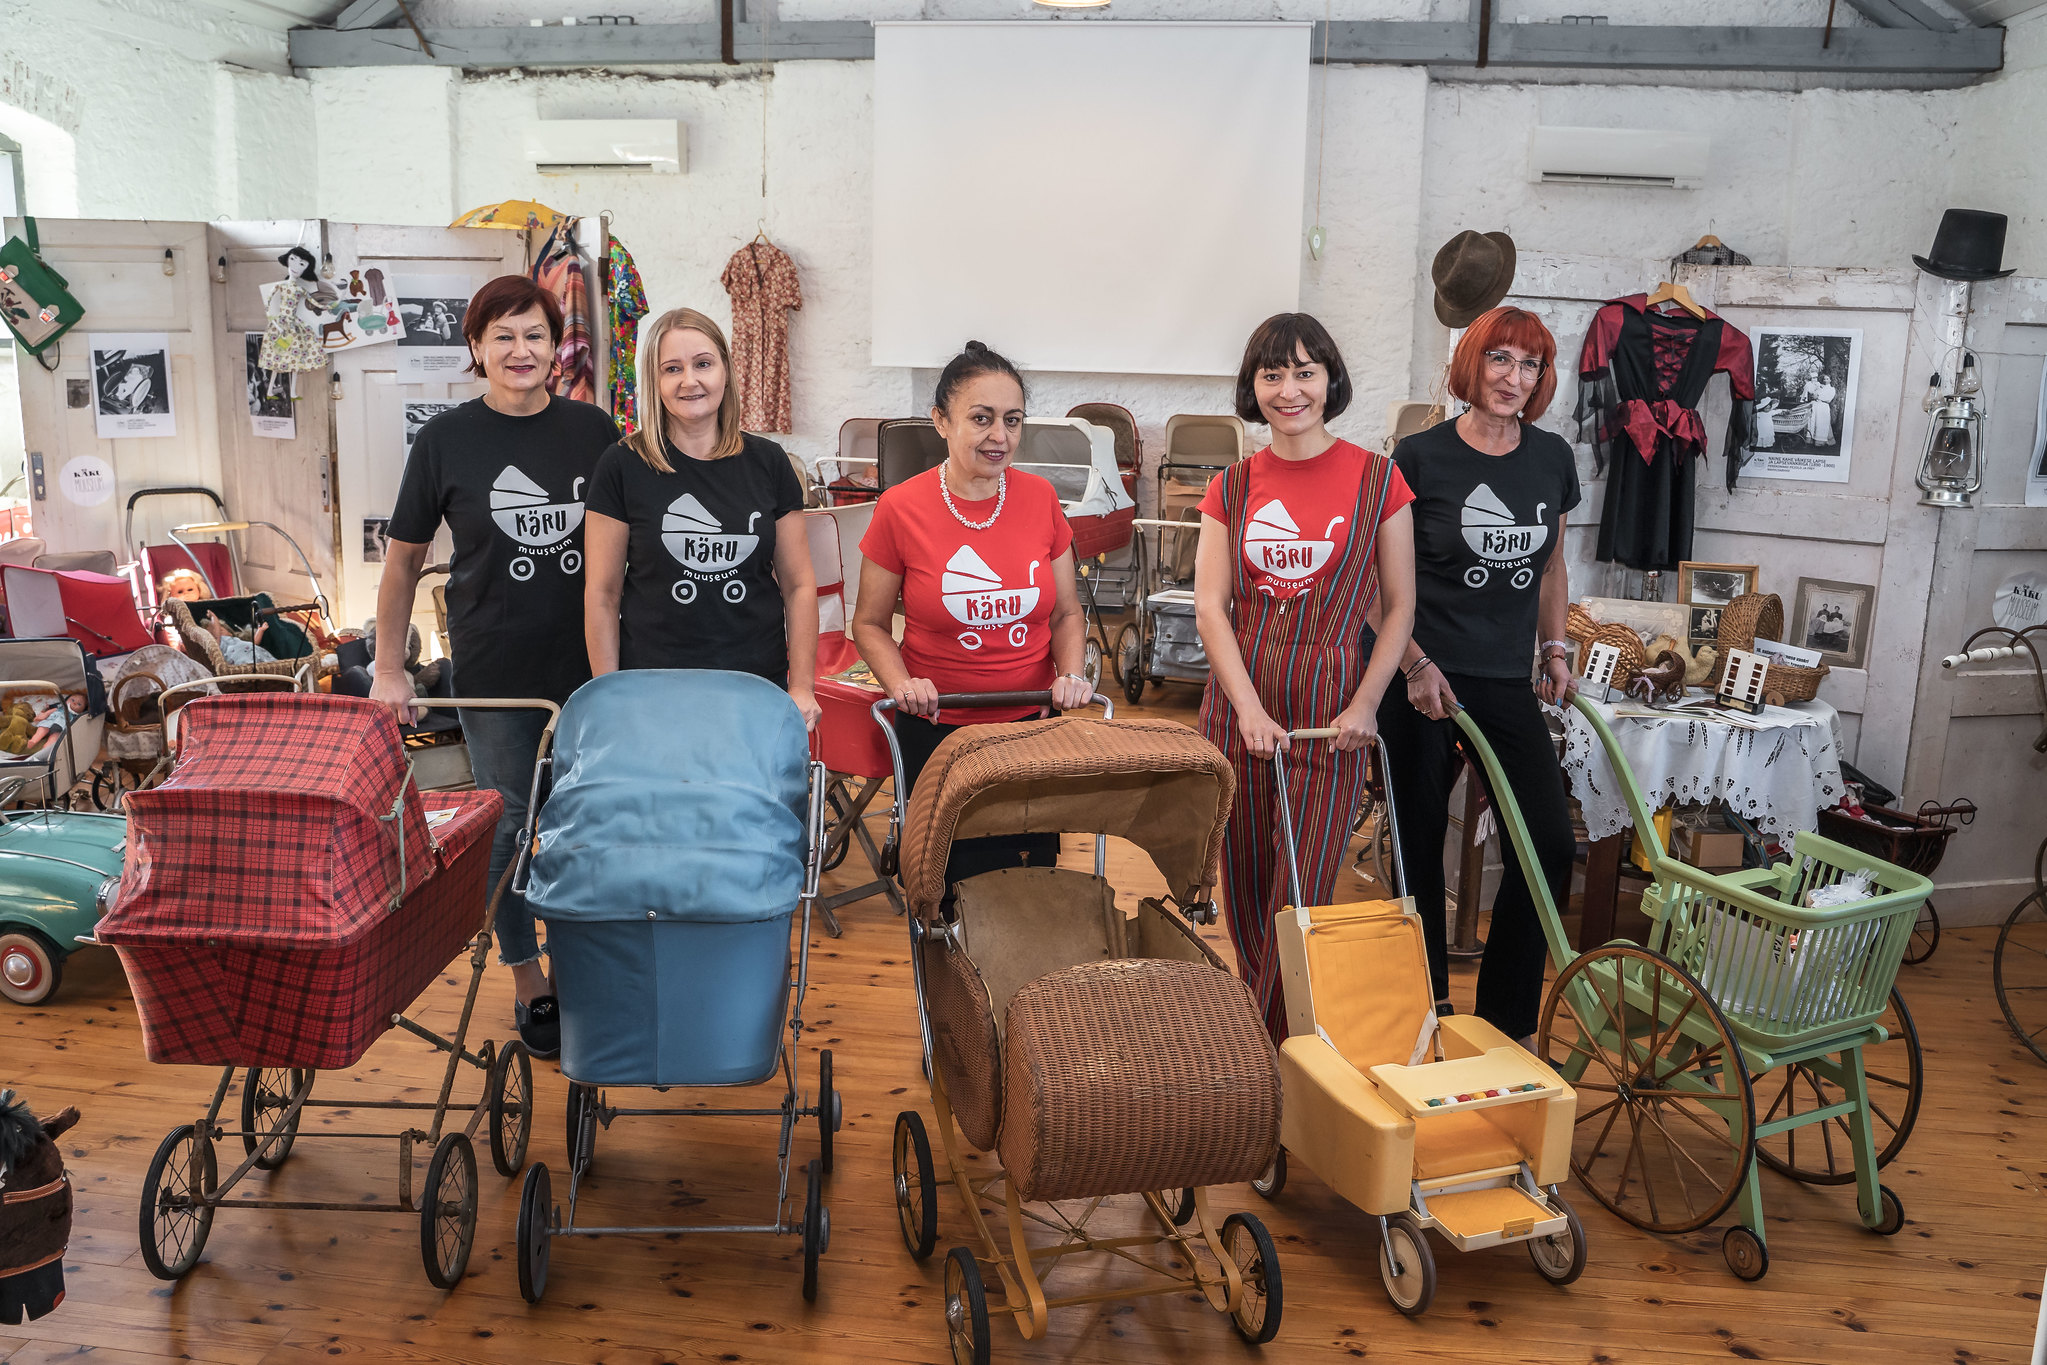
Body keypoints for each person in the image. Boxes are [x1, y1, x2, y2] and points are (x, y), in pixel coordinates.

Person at [375, 274, 618, 1060]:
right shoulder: (445, 439)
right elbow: (403, 563)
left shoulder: (595, 429)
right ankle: (528, 977)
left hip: (594, 673)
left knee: (588, 829)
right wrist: (389, 666)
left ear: (557, 348)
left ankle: (590, 966)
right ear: (475, 348)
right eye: (504, 336)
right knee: (509, 826)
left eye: (536, 335)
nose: (522, 350)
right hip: (495, 671)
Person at [1193, 312, 1416, 1043]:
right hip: (1238, 712)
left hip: (1330, 719)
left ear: (1329, 381)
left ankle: (1253, 1069)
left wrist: (1366, 703)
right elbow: (1209, 608)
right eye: (1271, 374)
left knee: (1299, 905)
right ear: (1252, 387)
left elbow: (1398, 605)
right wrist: (1247, 709)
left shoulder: (1380, 479)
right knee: (1248, 905)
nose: (1288, 389)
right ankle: (1279, 1058)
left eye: (1304, 372)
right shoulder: (1231, 485)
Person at [1374, 305, 1580, 1043]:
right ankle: (1425, 1009)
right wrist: (1415, 664)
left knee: (1549, 844)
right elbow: (1374, 590)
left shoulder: (1552, 458)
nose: (1513, 379)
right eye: (1499, 360)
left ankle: (1506, 1017)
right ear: (1472, 366)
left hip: (1500, 679)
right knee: (1418, 846)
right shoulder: (1418, 457)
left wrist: (1553, 649)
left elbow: (1551, 566)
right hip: (1420, 677)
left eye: (1529, 365)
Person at [852, 341, 1092, 888]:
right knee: (947, 888)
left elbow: (1066, 614)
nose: (1000, 437)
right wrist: (903, 683)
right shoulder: (900, 508)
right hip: (939, 733)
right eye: (981, 419)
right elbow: (867, 622)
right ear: (941, 421)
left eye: (1012, 420)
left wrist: (1071, 674)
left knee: (1031, 884)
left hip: (1030, 728)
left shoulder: (1040, 499)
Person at [584, 308, 820, 726]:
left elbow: (799, 585)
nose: (689, 381)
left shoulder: (769, 462)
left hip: (756, 685)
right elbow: (603, 595)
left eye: (703, 364)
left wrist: (800, 687)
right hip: (653, 688)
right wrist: (609, 693)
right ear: (654, 383)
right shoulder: (621, 465)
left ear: (725, 371)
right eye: (672, 368)